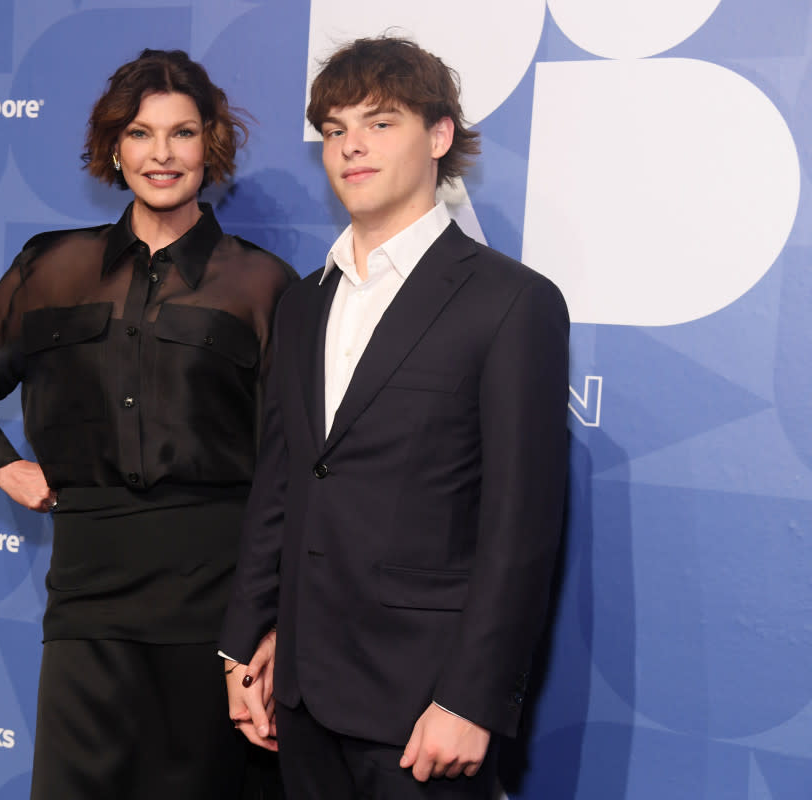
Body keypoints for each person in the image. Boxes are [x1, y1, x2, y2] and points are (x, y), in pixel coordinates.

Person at [0, 48, 296, 800]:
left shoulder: (262, 284)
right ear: (113, 148)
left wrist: (270, 621)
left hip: (214, 610)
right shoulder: (53, 267)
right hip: (87, 600)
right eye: (141, 133)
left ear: (209, 146)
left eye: (182, 134)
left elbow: (289, 461)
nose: (161, 154)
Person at [219, 35, 570, 799]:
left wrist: (470, 699)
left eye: (380, 123)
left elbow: (520, 527)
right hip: (302, 696)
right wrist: (245, 643)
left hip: (423, 705)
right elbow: (282, 482)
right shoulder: (303, 302)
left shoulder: (510, 302)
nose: (352, 147)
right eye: (336, 129)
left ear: (439, 137)